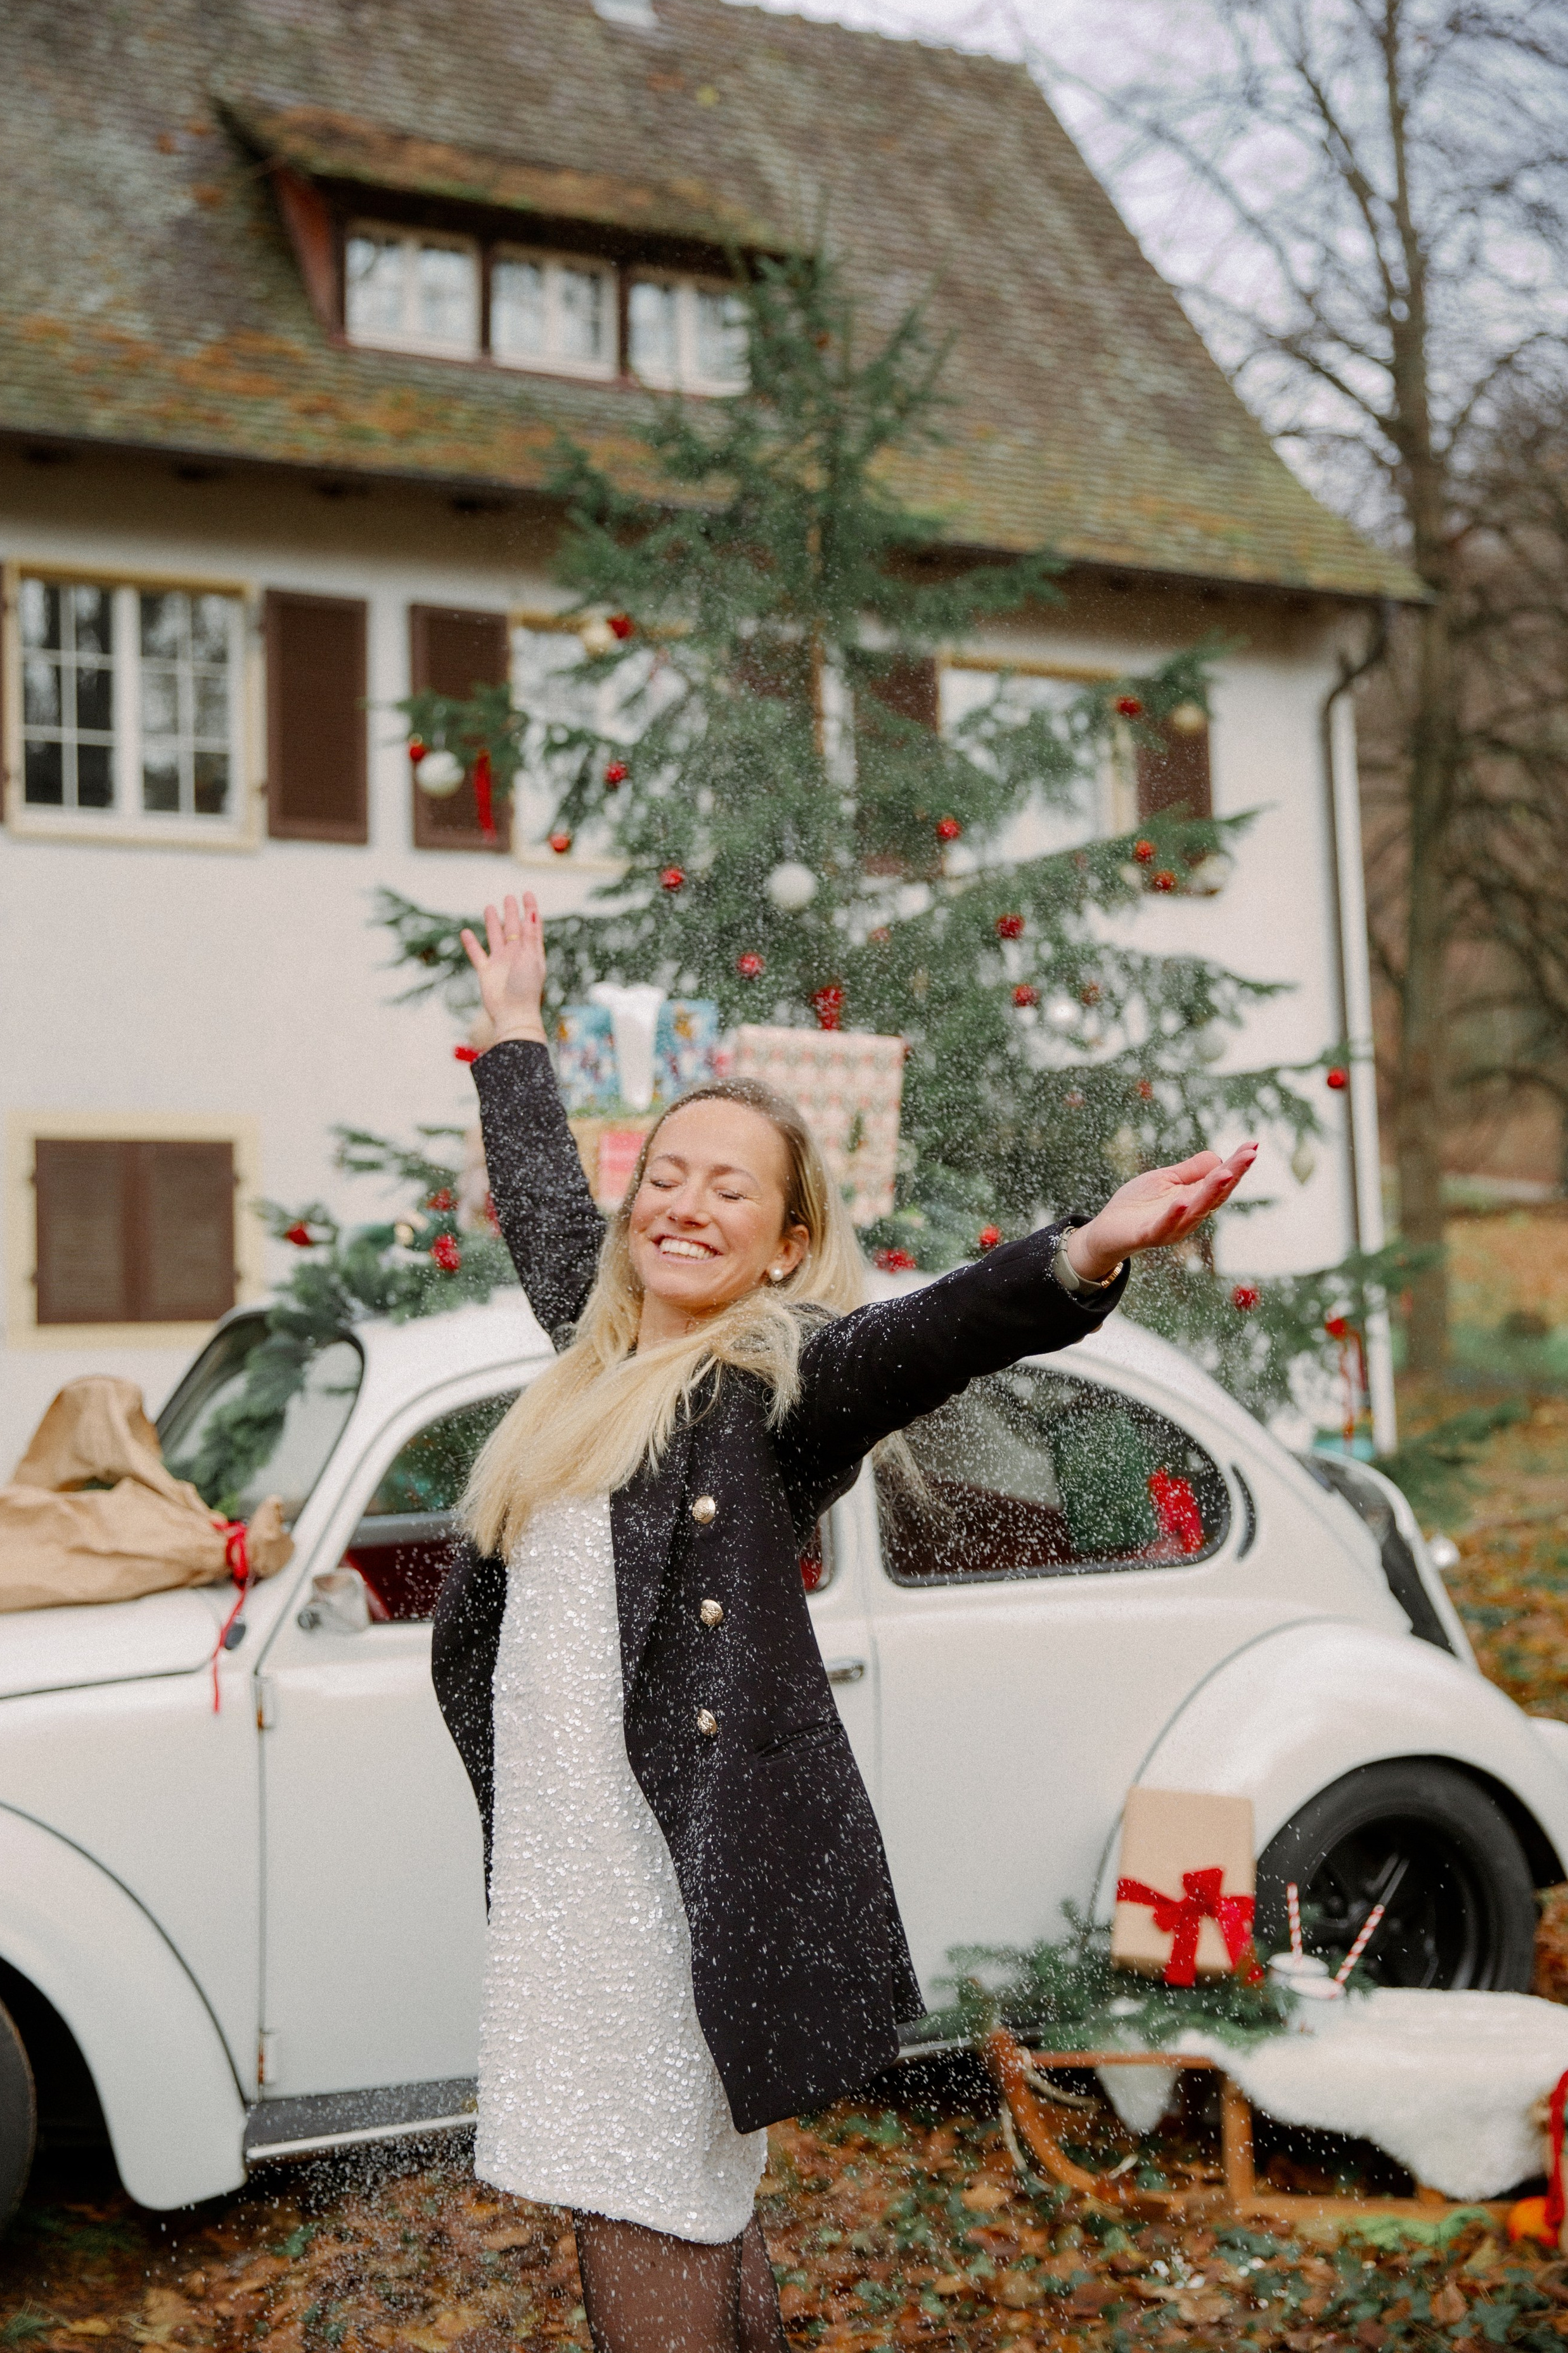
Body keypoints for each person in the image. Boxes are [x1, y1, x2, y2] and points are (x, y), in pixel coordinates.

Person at [432, 893, 1256, 2353]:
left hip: (665, 1890)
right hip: (563, 1884)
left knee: (651, 2199)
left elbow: (932, 1334)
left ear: (784, 1240)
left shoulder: (773, 1393)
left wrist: (1080, 1258)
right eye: (665, 1178)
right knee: (654, 2190)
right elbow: (547, 1194)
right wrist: (512, 1034)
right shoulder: (592, 1348)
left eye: (729, 1189)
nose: (684, 1203)